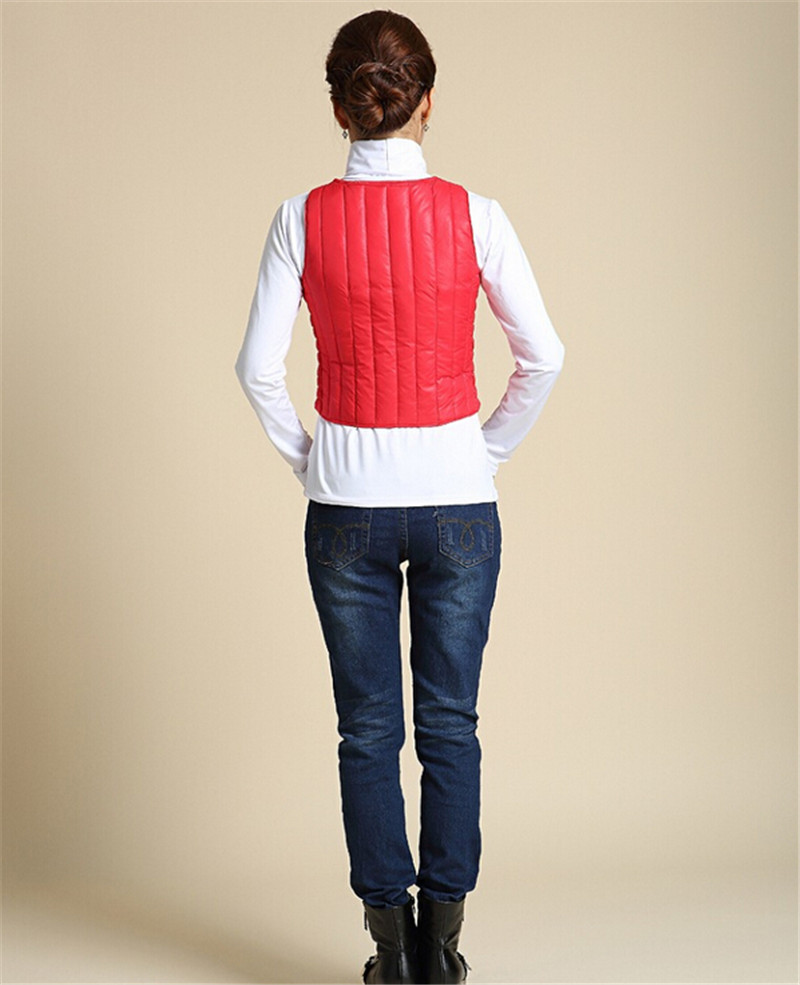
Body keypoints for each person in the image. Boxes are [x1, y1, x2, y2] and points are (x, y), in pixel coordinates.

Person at [235, 9, 565, 983]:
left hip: (344, 506)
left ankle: (390, 955)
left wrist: (314, 462)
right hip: (459, 501)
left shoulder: (299, 218)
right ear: (426, 103)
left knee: (367, 731)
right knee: (450, 724)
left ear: (339, 108)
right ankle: (443, 950)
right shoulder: (477, 215)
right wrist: (480, 451)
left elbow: (256, 369)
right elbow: (543, 357)